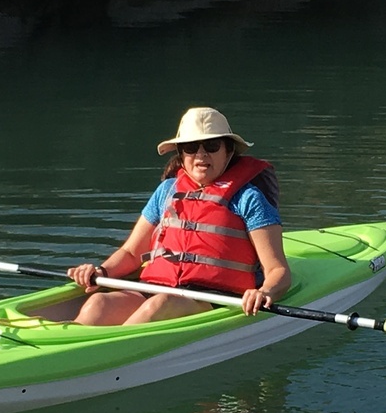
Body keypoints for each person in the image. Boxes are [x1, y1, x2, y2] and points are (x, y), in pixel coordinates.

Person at [66, 107, 291, 325]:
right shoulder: (166, 191)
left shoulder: (249, 198)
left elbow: (277, 270)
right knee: (98, 303)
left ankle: (110, 356)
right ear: (181, 154)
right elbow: (131, 252)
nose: (201, 154)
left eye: (212, 146)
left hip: (213, 298)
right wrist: (100, 271)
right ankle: (69, 348)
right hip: (157, 288)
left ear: (228, 152)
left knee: (161, 305)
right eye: (191, 147)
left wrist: (264, 292)